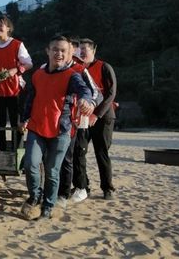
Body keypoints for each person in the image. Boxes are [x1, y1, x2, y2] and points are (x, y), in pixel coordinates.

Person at [19, 35, 94, 220]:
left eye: (63, 51)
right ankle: (35, 195)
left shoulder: (72, 75)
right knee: (30, 164)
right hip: (36, 127)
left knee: (52, 171)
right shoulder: (38, 75)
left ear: (69, 54)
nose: (59, 54)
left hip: (61, 130)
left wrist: (86, 100)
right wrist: (24, 118)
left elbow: (85, 90)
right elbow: (30, 99)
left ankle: (48, 205)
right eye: (55, 50)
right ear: (48, 51)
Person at [56, 39, 102, 209]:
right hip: (59, 120)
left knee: (77, 155)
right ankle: (63, 189)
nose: (62, 53)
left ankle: (81, 187)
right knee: (62, 156)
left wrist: (90, 105)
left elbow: (97, 93)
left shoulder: (80, 69)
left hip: (79, 120)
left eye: (68, 49)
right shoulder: (52, 68)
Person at [72, 38, 118, 201]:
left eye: (85, 49)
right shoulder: (76, 68)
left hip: (103, 116)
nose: (82, 52)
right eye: (79, 49)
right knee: (78, 151)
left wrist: (96, 114)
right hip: (82, 117)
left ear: (93, 50)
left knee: (101, 152)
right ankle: (82, 186)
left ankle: (107, 188)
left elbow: (111, 94)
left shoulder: (104, 67)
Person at [0, 15, 33, 151]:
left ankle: (17, 152)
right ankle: (0, 152)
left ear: (8, 28)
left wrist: (16, 70)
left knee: (17, 123)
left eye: (0, 25)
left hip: (15, 91)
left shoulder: (17, 44)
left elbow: (29, 63)